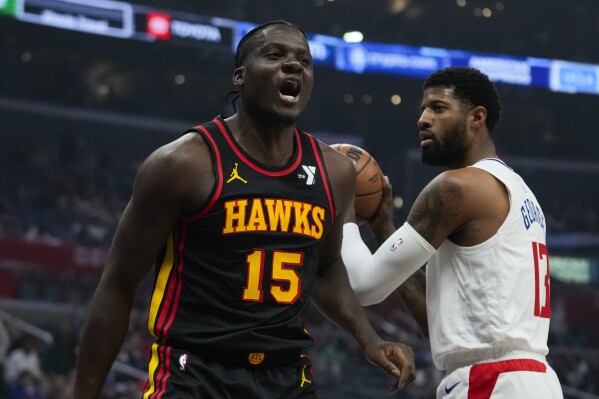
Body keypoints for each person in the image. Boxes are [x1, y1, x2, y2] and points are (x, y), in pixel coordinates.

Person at [73, 20, 415, 399]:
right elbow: (118, 285)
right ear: (240, 75)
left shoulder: (334, 172)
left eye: (304, 60)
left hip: (287, 375)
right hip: (196, 373)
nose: (293, 65)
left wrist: (369, 339)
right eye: (275, 55)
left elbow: (327, 266)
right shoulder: (182, 164)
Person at [341, 67, 564, 398]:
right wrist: (382, 228)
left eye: (438, 108)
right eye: (423, 109)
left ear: (477, 117)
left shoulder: (456, 188)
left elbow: (364, 286)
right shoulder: (519, 192)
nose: (423, 120)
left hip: (492, 381)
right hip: (529, 380)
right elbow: (438, 324)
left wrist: (340, 208)